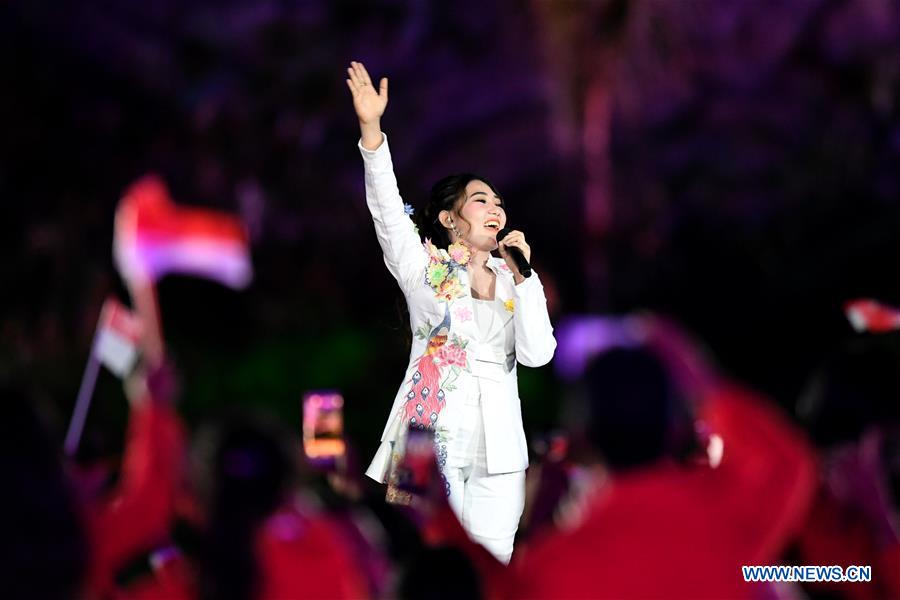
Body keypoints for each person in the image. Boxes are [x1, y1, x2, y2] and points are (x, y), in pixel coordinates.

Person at [346, 61, 556, 563]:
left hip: (500, 456)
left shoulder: (515, 280)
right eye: (481, 200)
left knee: (492, 573)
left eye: (499, 202)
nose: (496, 208)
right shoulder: (424, 271)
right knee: (428, 566)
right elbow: (388, 212)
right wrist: (371, 129)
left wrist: (526, 278)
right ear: (449, 219)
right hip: (427, 442)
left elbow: (538, 355)